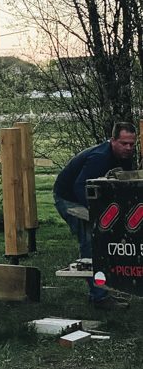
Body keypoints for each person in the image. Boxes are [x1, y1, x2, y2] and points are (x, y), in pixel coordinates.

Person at [53, 122, 137, 311]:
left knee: (108, 242)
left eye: (132, 144)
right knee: (92, 243)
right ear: (113, 140)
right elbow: (79, 187)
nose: (128, 148)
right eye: (124, 143)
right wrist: (99, 213)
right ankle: (99, 298)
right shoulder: (100, 157)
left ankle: (105, 288)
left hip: (92, 198)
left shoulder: (125, 158)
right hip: (70, 199)